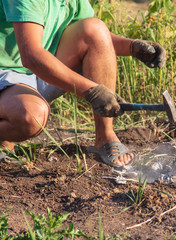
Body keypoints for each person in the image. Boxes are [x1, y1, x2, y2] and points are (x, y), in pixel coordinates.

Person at [0, 0, 166, 167]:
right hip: (5, 73)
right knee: (31, 117)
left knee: (95, 29)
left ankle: (105, 137)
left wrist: (132, 47)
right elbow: (31, 55)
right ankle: (5, 138)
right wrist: (92, 91)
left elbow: (94, 37)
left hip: (35, 71)